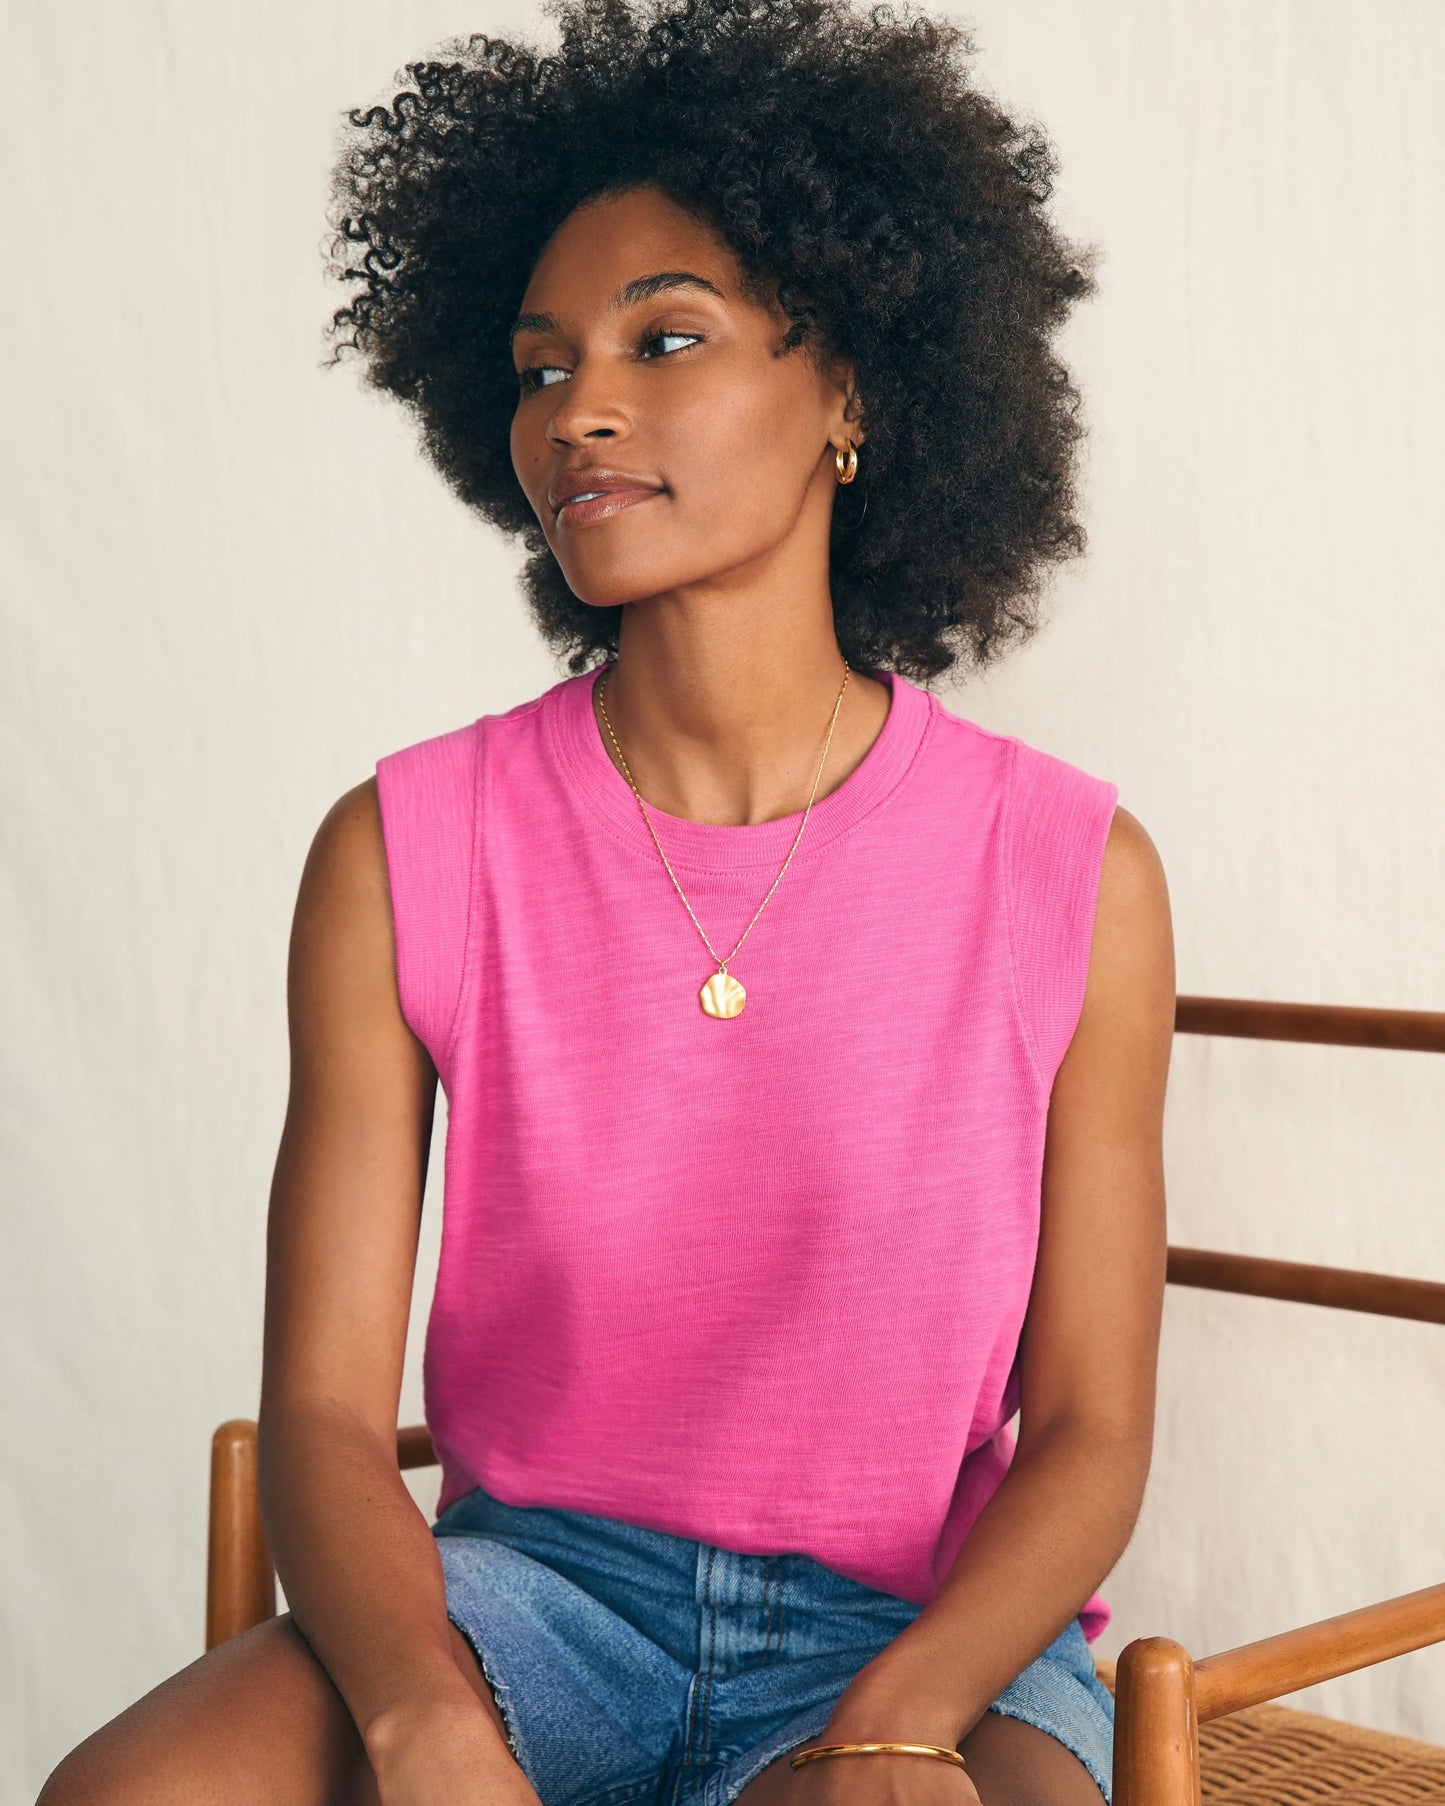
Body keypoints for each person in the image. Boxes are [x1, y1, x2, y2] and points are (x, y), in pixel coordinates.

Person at [37, 0, 1174, 1801]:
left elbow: (1094, 1432)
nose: (580, 412)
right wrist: (422, 1713)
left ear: (857, 392)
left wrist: (896, 1715)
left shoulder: (1067, 871)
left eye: (666, 339)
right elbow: (326, 1418)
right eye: (539, 362)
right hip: (526, 1600)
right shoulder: (404, 848)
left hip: (919, 1621)